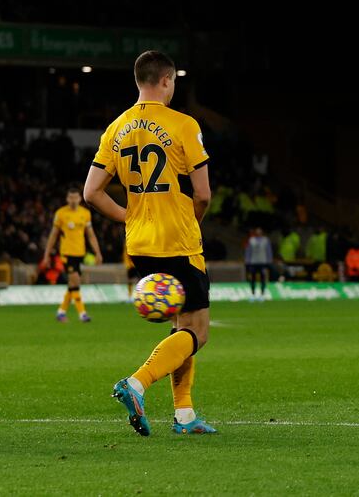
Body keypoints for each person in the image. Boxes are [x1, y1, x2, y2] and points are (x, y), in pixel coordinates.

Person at [84, 50, 216, 436]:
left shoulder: (116, 127)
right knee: (199, 331)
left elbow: (92, 192)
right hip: (178, 239)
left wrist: (131, 216)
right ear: (166, 80)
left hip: (139, 243)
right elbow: (204, 194)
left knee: (182, 326)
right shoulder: (183, 124)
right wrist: (192, 222)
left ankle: (185, 415)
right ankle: (137, 383)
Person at [42, 186, 103, 323]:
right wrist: (46, 254)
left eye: (75, 197)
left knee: (73, 284)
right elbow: (53, 235)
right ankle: (82, 314)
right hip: (66, 254)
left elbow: (91, 235)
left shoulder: (85, 213)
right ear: (67, 199)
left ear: (80, 198)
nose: (73, 200)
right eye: (70, 197)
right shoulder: (61, 214)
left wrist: (97, 252)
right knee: (75, 281)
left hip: (79, 253)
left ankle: (61, 312)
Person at [245, 227, 273, 301]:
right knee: (253, 278)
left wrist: (269, 261)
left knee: (263, 278)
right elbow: (248, 251)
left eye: (259, 232)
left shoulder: (266, 240)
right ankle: (253, 294)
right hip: (253, 262)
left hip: (263, 262)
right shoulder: (251, 240)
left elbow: (268, 251)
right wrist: (247, 261)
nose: (258, 233)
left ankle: (262, 294)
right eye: (257, 232)